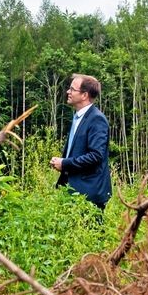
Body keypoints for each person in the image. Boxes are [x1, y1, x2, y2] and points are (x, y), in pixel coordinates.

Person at [51, 73, 112, 209]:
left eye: (72, 89)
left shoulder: (96, 119)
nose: (68, 91)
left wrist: (65, 164)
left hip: (88, 194)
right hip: (73, 190)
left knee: (90, 231)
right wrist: (61, 162)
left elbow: (96, 156)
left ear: (84, 95)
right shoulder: (78, 117)